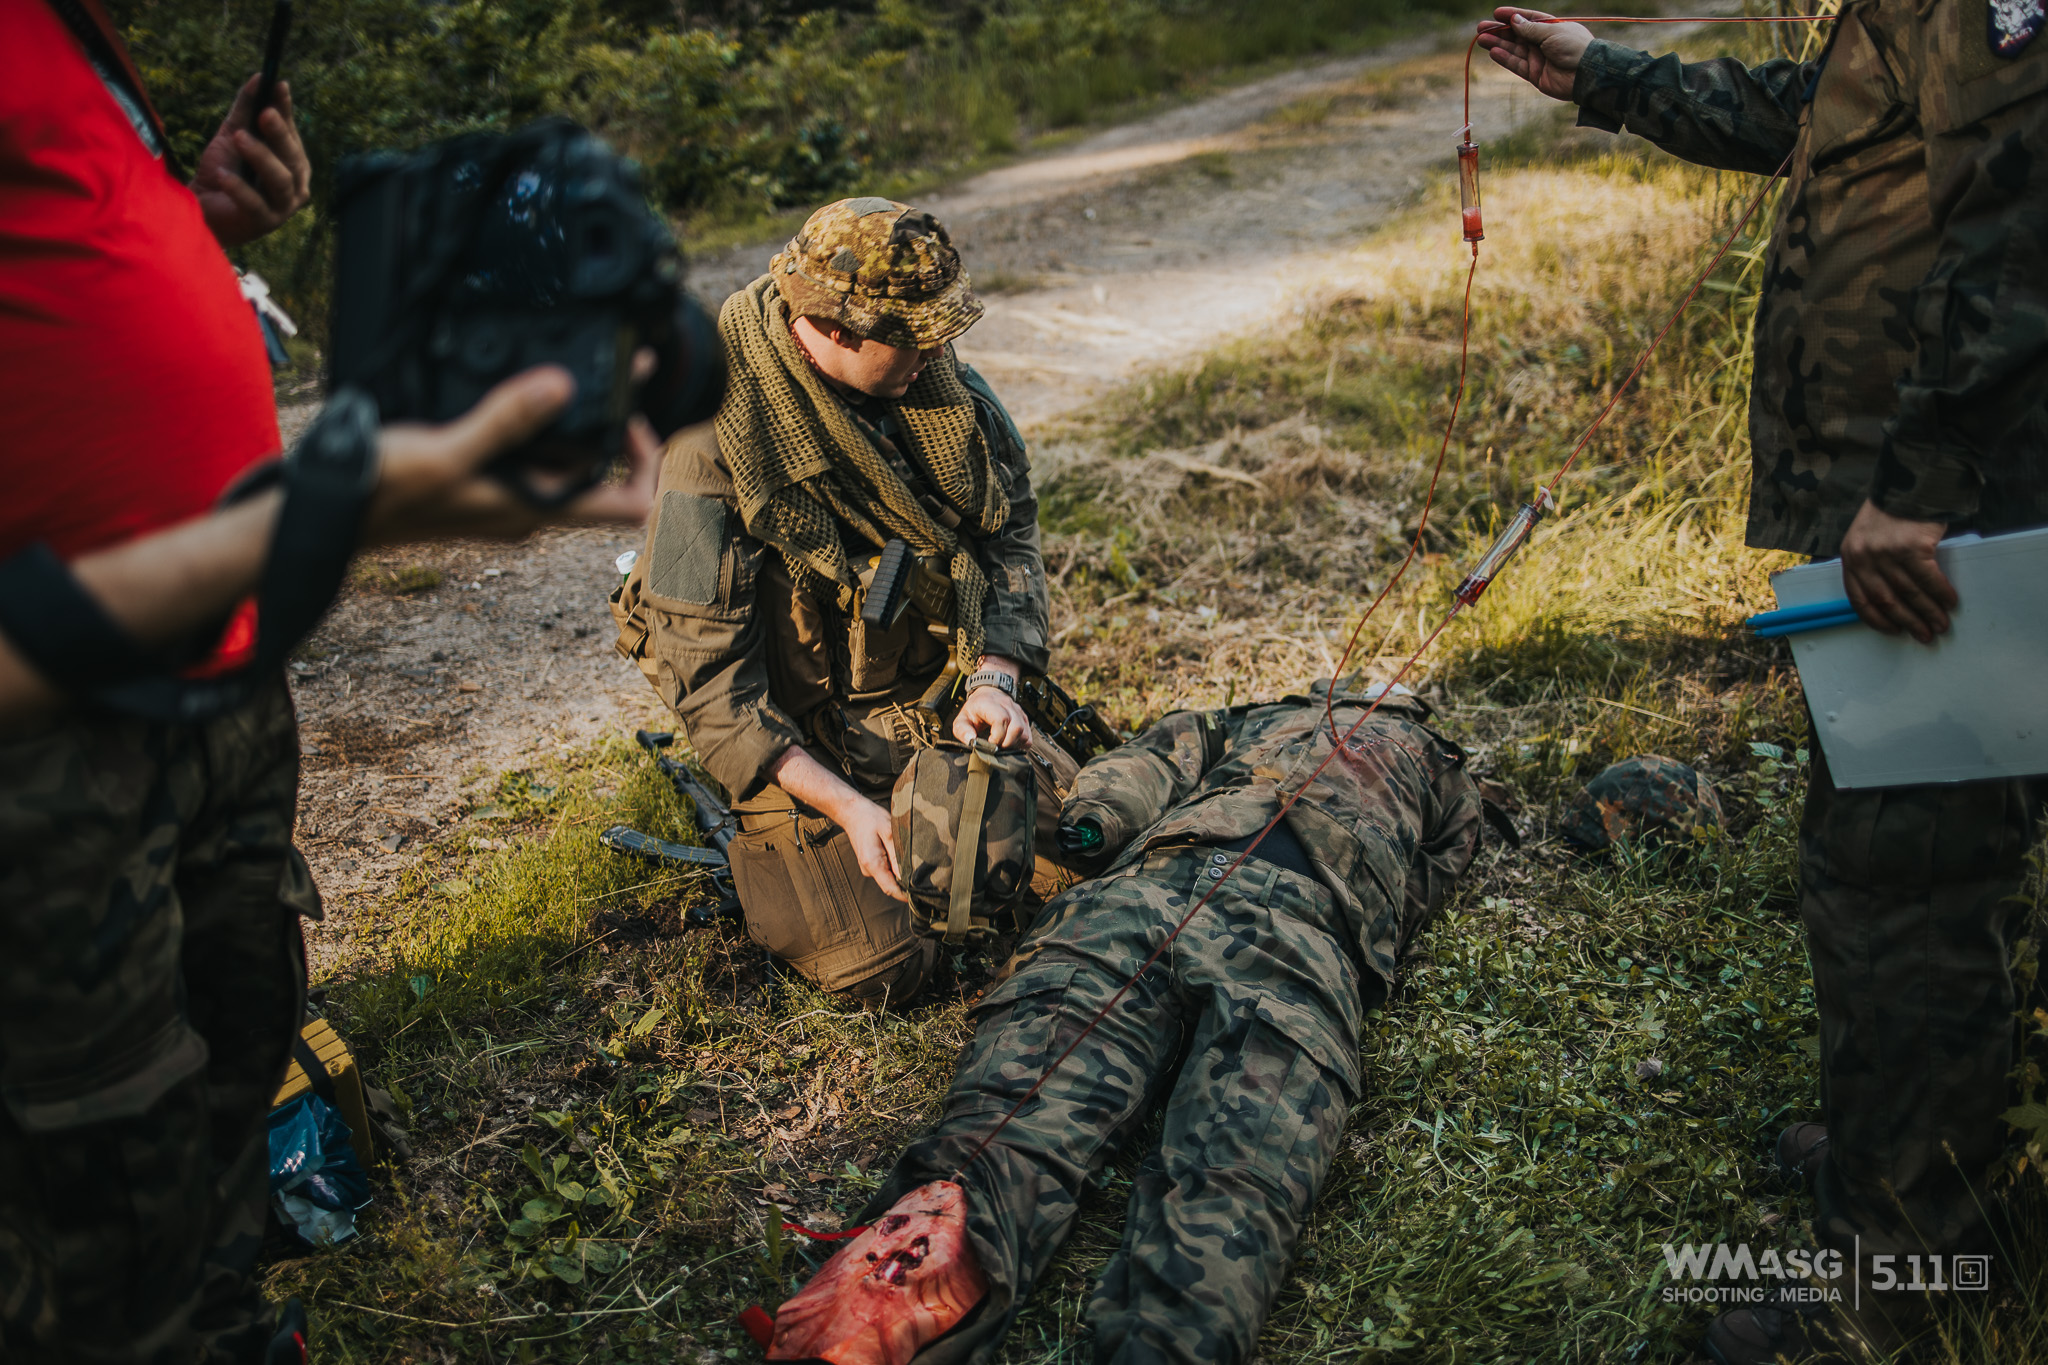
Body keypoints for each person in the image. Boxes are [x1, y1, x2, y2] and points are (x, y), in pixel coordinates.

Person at [0, 4, 657, 1361]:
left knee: (238, 1034)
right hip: (51, 737)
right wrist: (348, 507)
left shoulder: (69, 33)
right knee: (91, 1162)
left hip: (222, 678)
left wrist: (196, 226)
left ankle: (225, 1305)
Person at [1478, 7, 2048, 1360]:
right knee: (1903, 853)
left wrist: (1917, 489)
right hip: (1908, 503)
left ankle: (1905, 1285)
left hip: (1941, 517)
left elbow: (2020, 220)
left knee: (1908, 877)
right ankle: (1932, 1165)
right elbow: (1834, 119)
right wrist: (1608, 75)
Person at [788, 682, 1483, 1364]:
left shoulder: (1446, 776)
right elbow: (1156, 759)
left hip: (1301, 931)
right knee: (1018, 1103)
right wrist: (1100, 819)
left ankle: (1171, 1341)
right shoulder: (1261, 715)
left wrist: (1358, 934)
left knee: (1241, 1171)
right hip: (1158, 885)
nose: (1388, 678)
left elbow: (1426, 880)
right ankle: (883, 1301)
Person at [612, 196, 1051, 1007]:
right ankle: (779, 838)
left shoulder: (942, 390)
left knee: (1076, 862)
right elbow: (711, 688)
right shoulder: (708, 444)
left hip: (932, 695)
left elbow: (1009, 530)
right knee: (884, 969)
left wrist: (995, 674)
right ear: (835, 330)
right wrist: (847, 809)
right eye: (916, 333)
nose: (941, 348)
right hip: (803, 733)